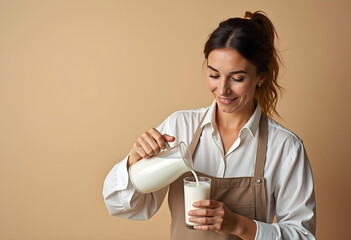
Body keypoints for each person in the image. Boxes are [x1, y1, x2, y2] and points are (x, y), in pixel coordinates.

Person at [103, 11, 316, 240]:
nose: (223, 89)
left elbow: (302, 235)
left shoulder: (285, 147)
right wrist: (134, 162)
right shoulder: (179, 128)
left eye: (237, 78)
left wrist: (239, 225)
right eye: (214, 75)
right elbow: (122, 205)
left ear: (260, 77)